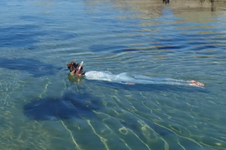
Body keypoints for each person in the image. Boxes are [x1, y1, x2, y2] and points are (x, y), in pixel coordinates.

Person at [66, 61, 204, 87]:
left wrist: (124, 83)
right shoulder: (90, 72)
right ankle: (188, 81)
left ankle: (190, 85)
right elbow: (107, 74)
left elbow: (107, 79)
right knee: (157, 79)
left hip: (122, 79)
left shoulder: (89, 77)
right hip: (123, 73)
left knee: (158, 83)